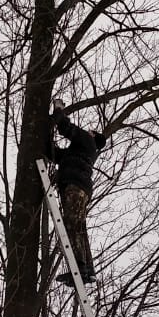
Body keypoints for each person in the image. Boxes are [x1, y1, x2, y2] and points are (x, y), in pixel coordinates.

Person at [44, 99, 106, 285]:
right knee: (79, 225)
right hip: (78, 186)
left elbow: (66, 128)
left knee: (72, 223)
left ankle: (79, 267)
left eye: (90, 131)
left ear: (93, 136)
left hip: (75, 186)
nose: (87, 131)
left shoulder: (88, 141)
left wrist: (58, 110)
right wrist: (45, 137)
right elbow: (54, 154)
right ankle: (88, 269)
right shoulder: (78, 152)